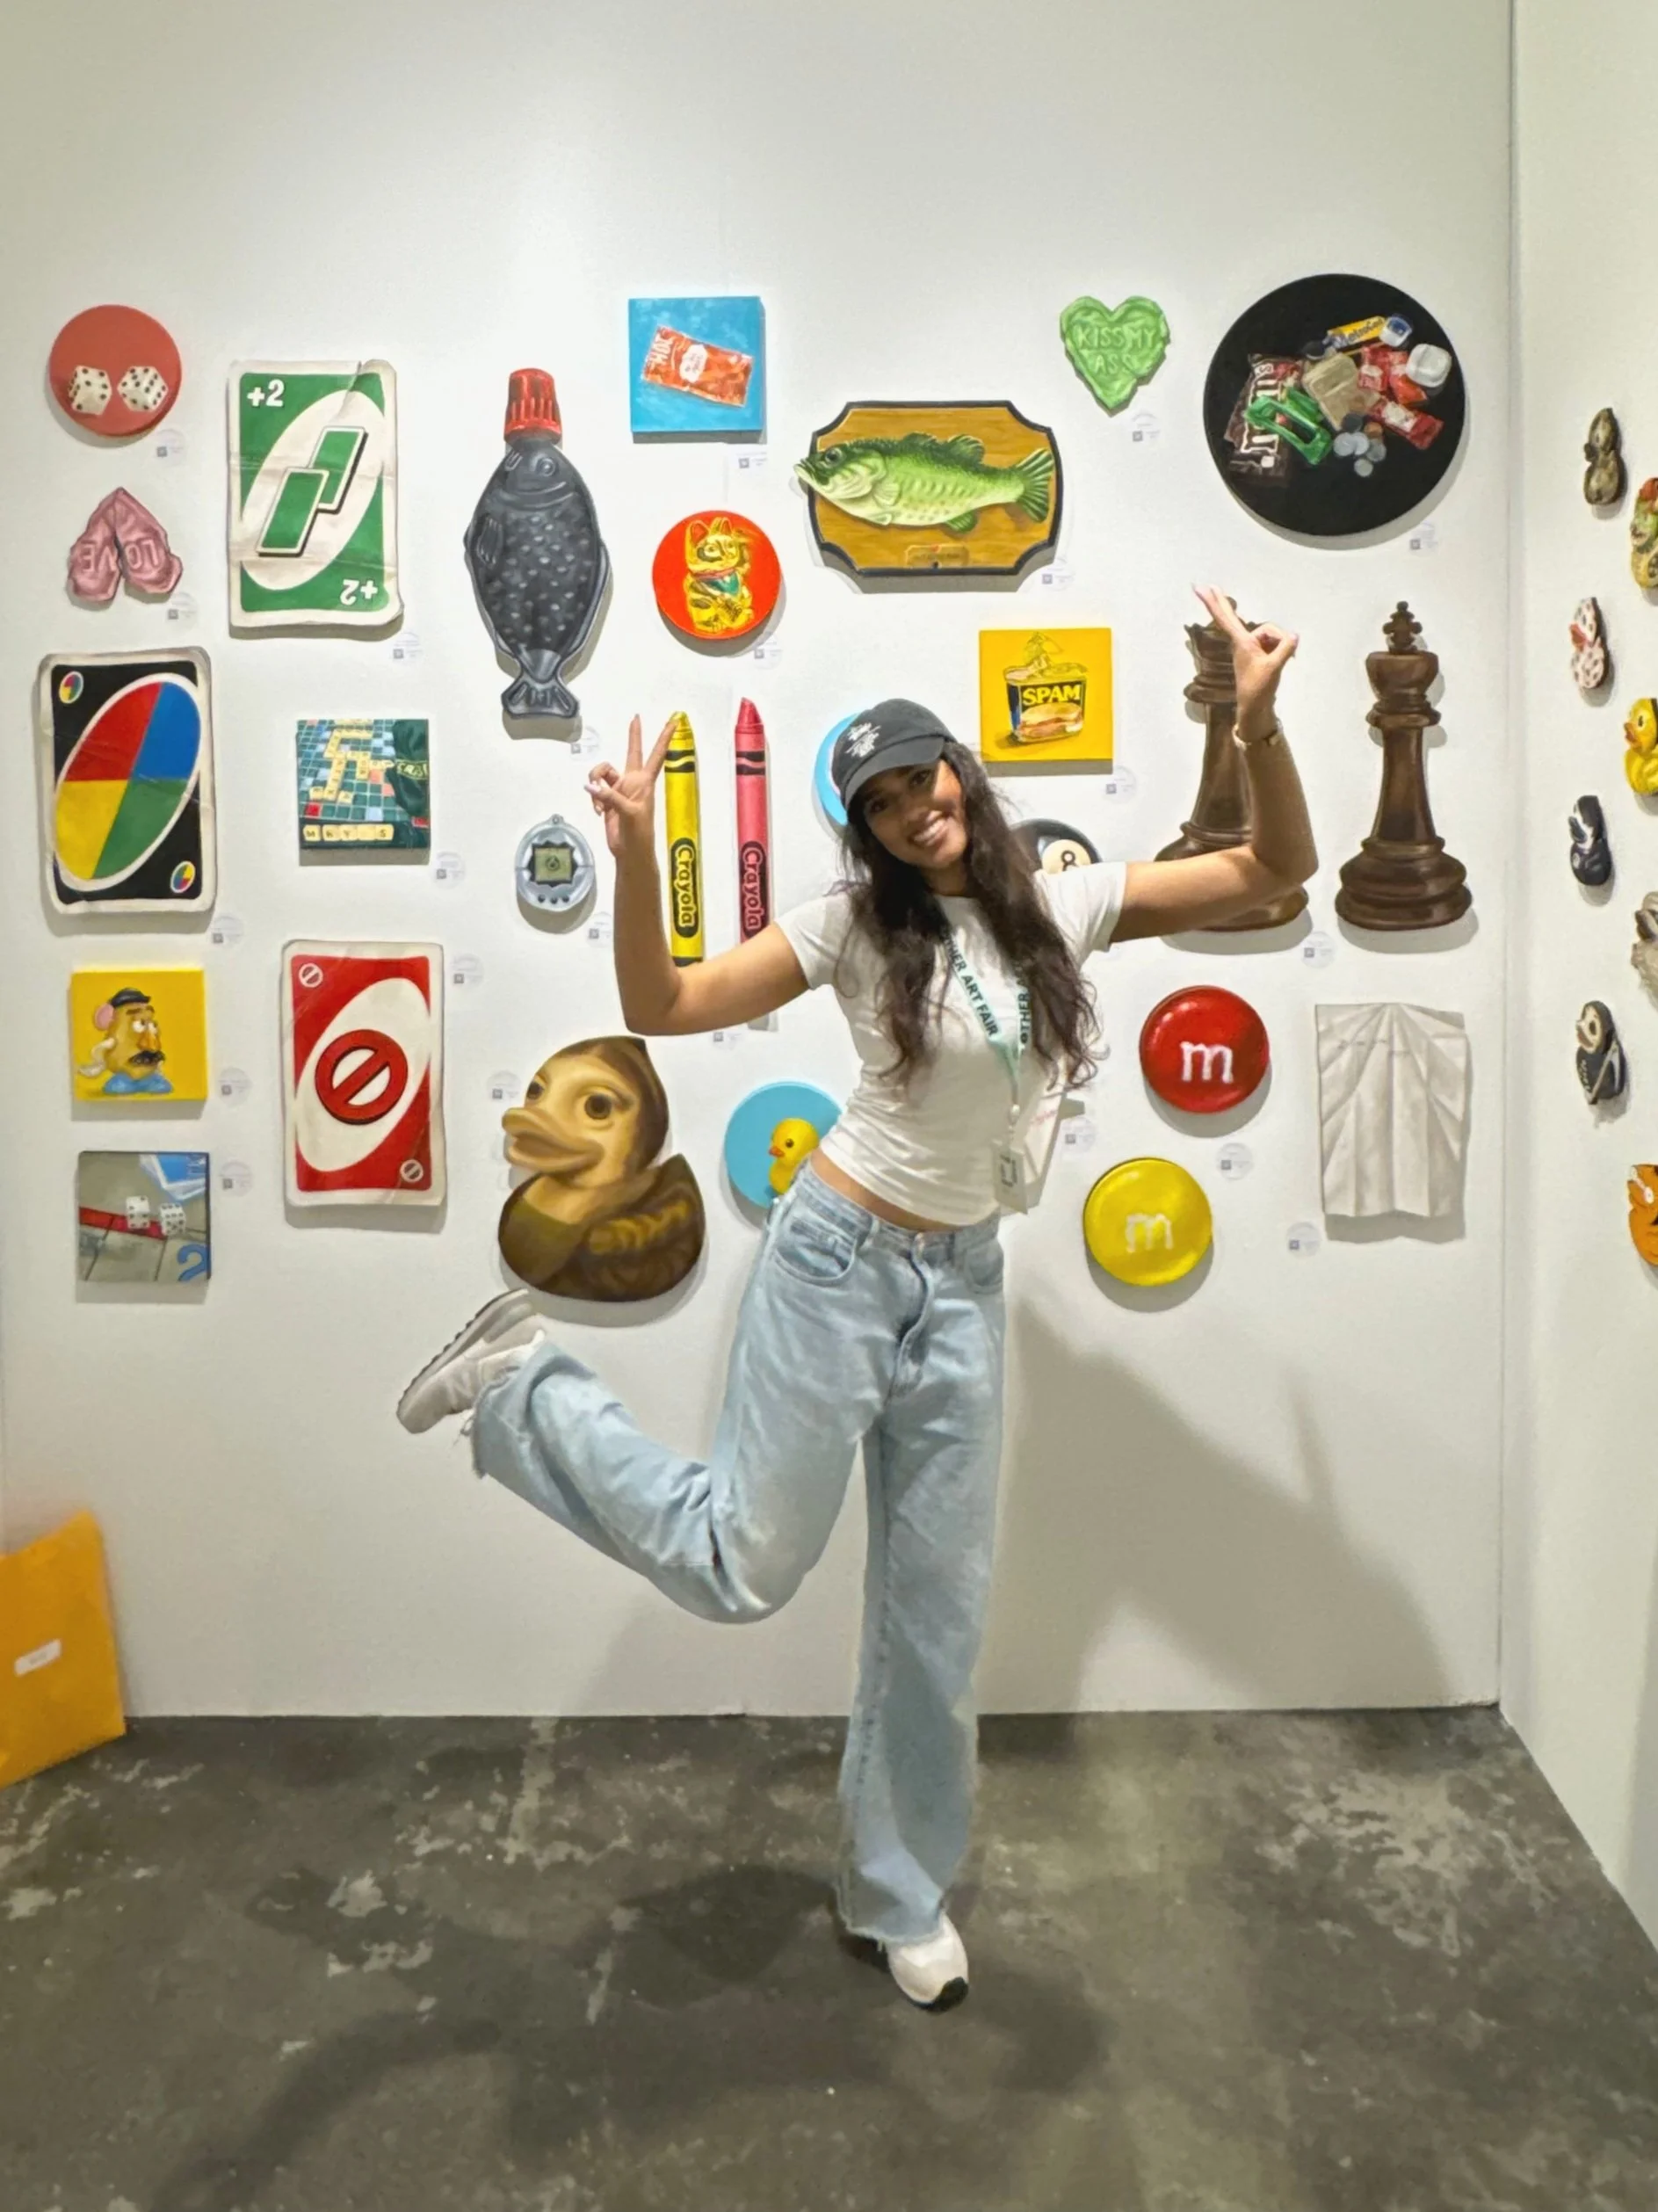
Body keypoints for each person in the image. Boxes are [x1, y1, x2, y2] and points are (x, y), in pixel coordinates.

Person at [397, 586, 1318, 2012]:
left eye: (922, 779)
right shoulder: (845, 928)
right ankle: (520, 1387)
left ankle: (892, 1893)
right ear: (865, 829)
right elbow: (665, 1003)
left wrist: (1255, 726)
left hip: (961, 1283)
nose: (910, 810)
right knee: (745, 1565)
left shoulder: (1062, 900)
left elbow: (1271, 870)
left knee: (935, 1619)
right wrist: (636, 855)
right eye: (879, 802)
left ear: (961, 772)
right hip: (836, 1264)